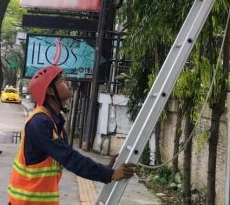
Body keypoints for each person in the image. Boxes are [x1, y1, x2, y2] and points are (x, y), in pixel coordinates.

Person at [7, 65, 136, 204]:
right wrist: (110, 174)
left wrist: (105, 170)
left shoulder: (54, 123)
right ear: (50, 90)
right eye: (61, 80)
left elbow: (70, 157)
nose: (67, 83)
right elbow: (70, 158)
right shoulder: (39, 122)